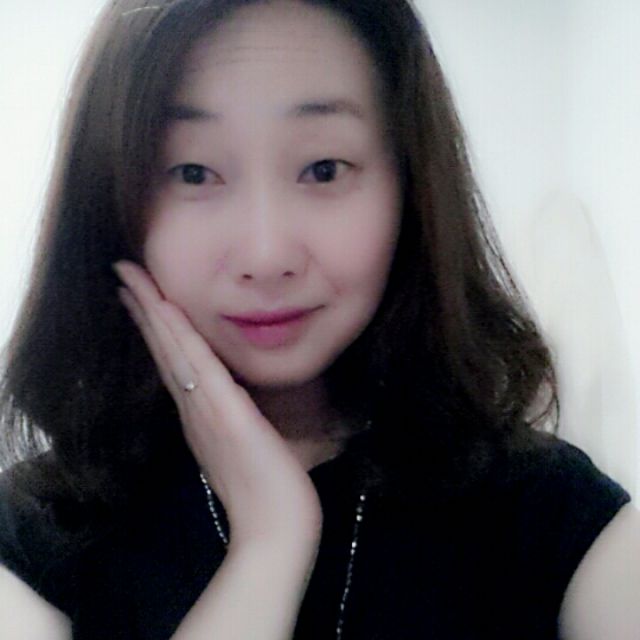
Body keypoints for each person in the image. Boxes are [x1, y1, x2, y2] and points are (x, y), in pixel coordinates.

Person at [0, 0, 638, 638]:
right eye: (192, 172)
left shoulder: (560, 520)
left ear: (411, 187)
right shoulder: (33, 540)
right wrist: (269, 544)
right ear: (107, 203)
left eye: (323, 169)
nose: (266, 255)